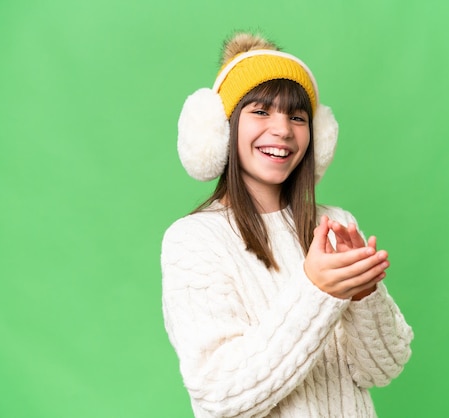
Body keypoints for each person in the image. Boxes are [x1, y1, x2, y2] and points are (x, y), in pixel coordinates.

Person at [161, 32, 414, 418]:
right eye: (261, 111)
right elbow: (220, 397)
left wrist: (365, 297)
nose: (282, 129)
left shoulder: (336, 224)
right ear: (221, 129)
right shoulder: (193, 241)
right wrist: (318, 291)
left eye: (297, 117)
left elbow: (383, 368)